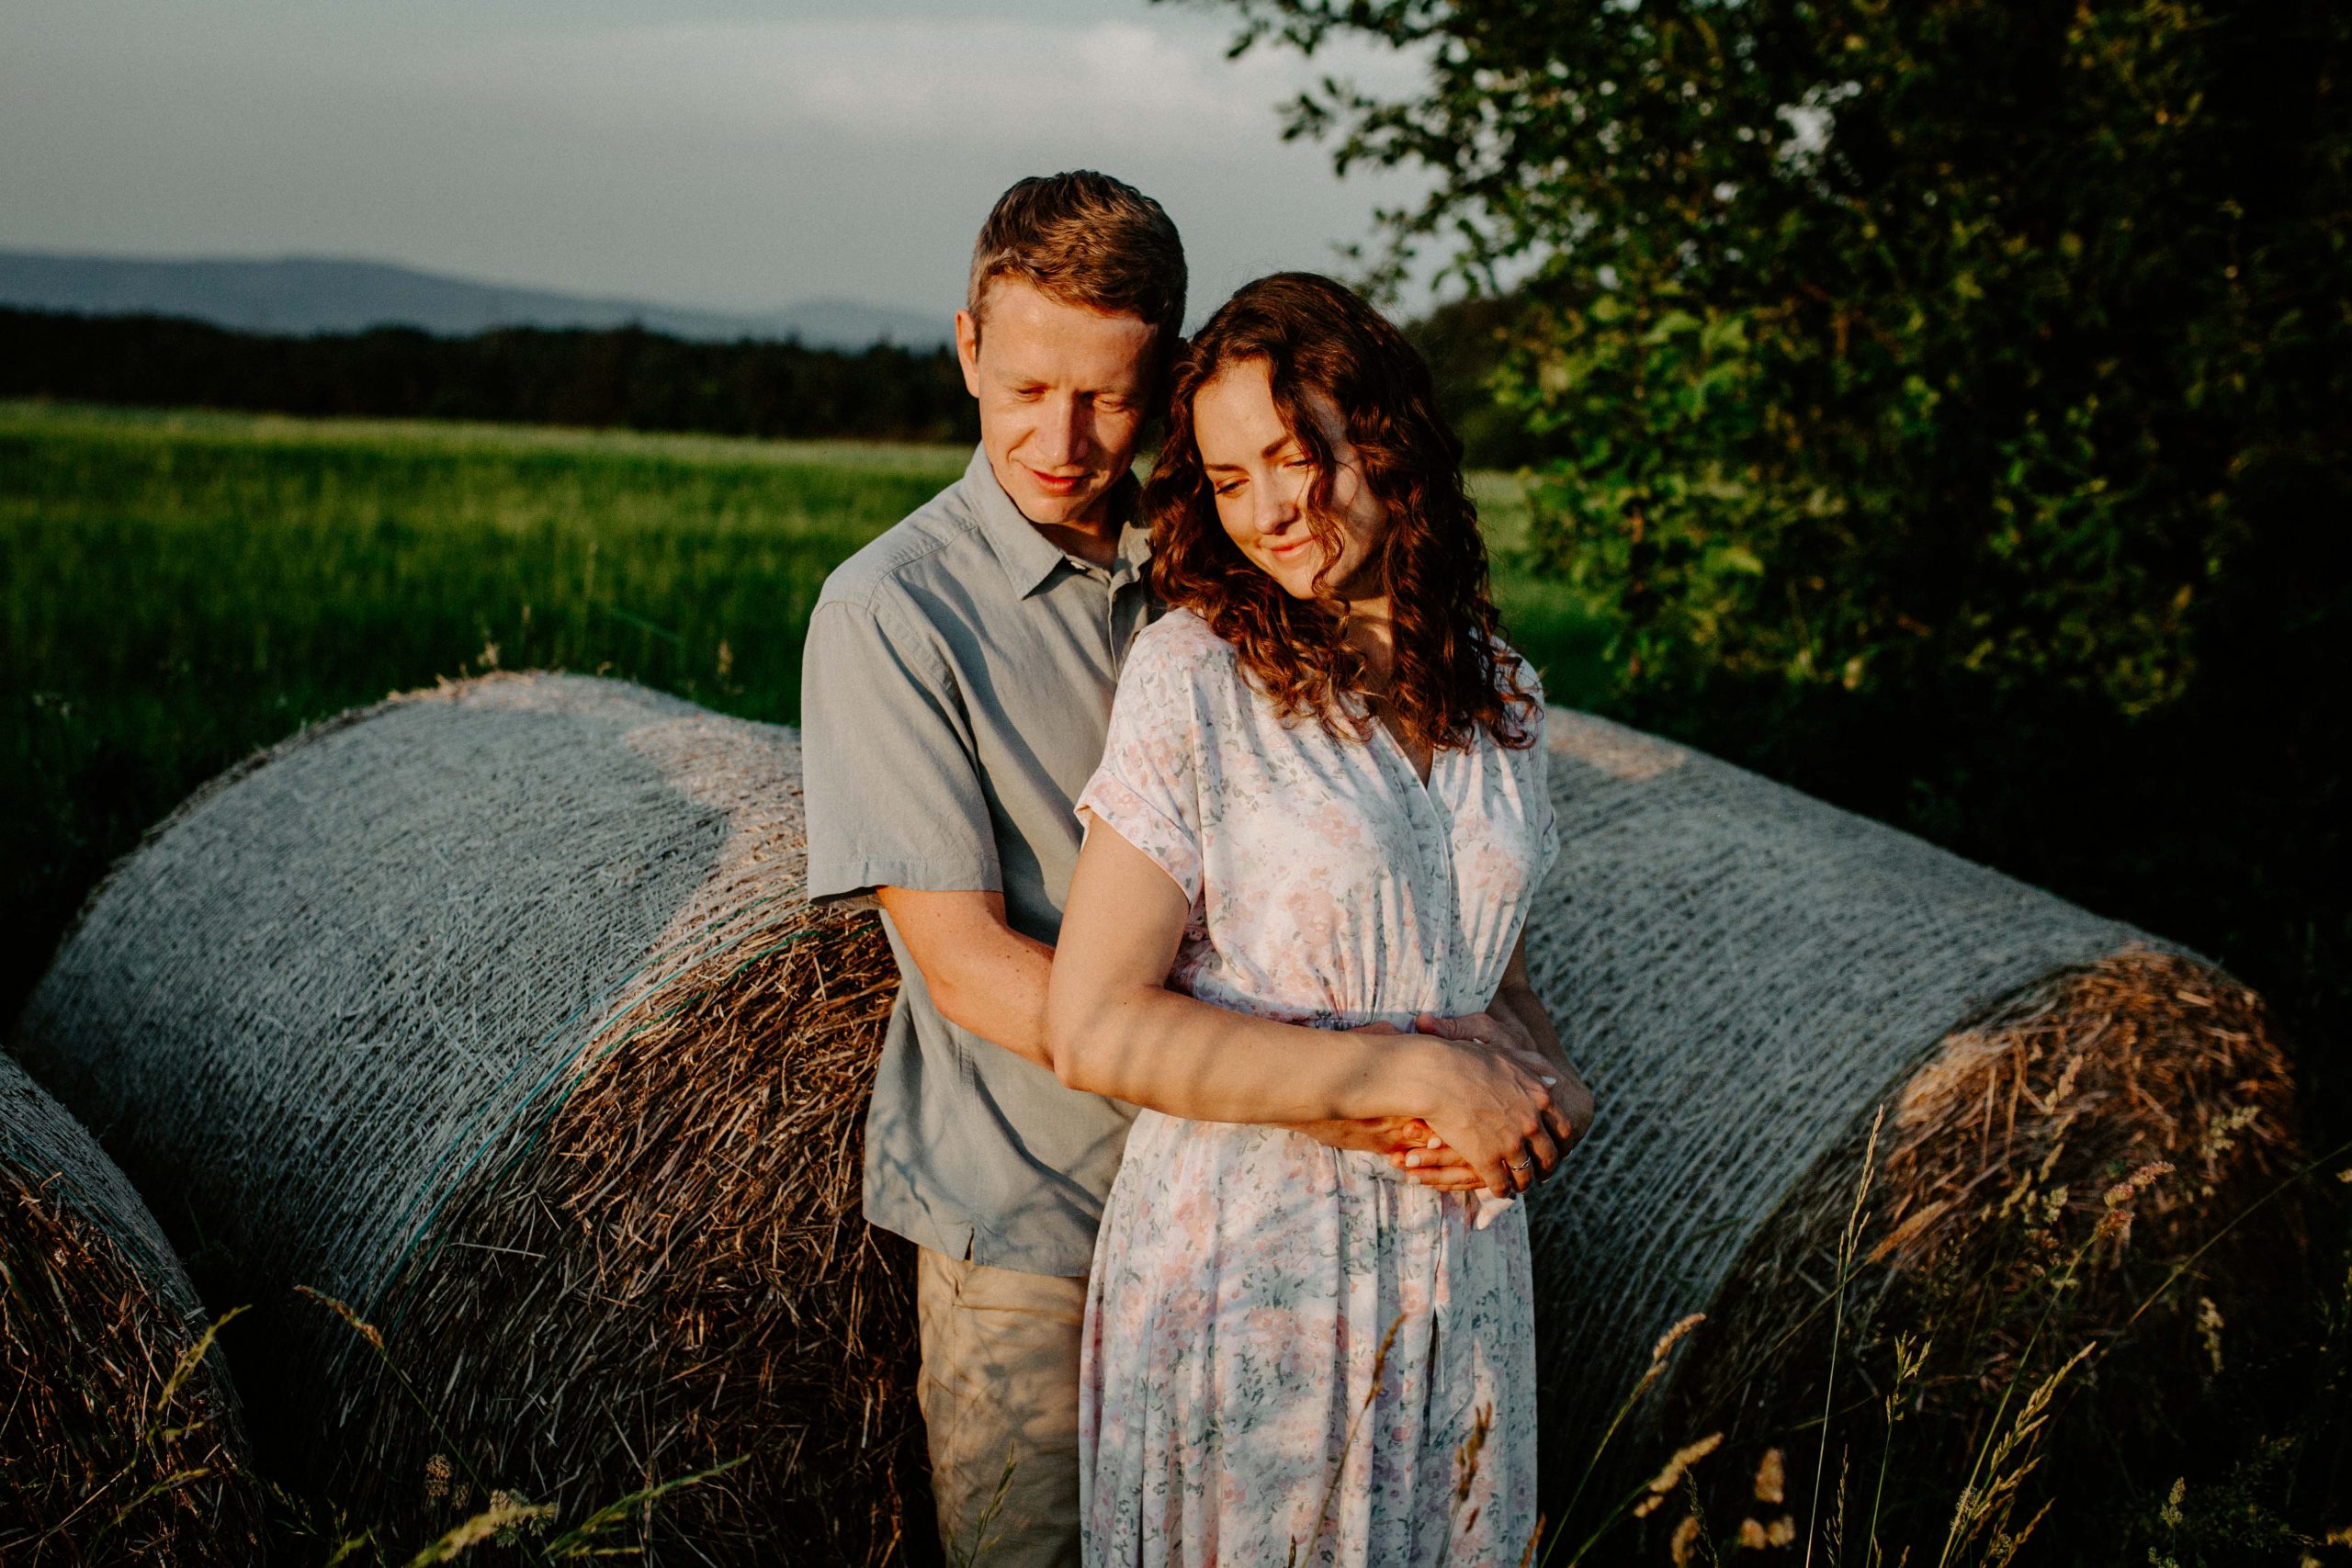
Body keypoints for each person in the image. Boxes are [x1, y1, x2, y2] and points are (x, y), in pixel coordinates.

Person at [803, 175, 1578, 1566]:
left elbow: (1420, 891)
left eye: (1107, 396)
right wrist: (1331, 1083)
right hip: (1037, 1220)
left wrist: (1511, 1063)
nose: (1064, 434)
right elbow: (970, 967)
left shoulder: (1228, 569)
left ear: (1162, 382)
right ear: (968, 348)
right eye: (1028, 384)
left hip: (1345, 1217)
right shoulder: (893, 613)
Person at [1044, 272, 1591, 1567]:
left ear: (1385, 438)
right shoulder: (1196, 679)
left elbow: (1478, 959)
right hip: (1256, 1262)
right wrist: (1409, 1069)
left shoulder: (1500, 690)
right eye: (1231, 481)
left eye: (1298, 458)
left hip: (1459, 1264)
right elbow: (1095, 1027)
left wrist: (1554, 1080)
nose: (1274, 509)